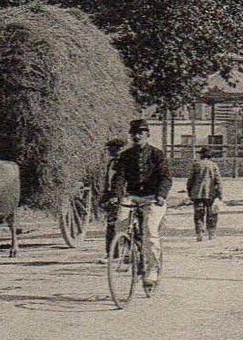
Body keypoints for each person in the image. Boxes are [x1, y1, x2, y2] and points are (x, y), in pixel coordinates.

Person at [109, 118, 171, 289]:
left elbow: (165, 177)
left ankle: (152, 269)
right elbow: (119, 177)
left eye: (140, 133)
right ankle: (126, 253)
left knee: (150, 232)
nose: (137, 136)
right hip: (132, 196)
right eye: (134, 133)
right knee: (120, 224)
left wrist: (161, 195)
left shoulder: (157, 154)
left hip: (153, 197)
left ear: (147, 135)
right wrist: (115, 195)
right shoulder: (126, 156)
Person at [96, 137, 125, 265]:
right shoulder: (112, 163)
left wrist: (117, 196)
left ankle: (118, 253)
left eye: (111, 149)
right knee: (111, 225)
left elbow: (121, 182)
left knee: (120, 225)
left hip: (122, 198)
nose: (109, 151)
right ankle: (112, 253)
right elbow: (108, 182)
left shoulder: (123, 163)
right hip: (113, 197)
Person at [186, 146, 224, 241]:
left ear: (201, 155)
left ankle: (200, 233)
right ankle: (211, 233)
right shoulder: (213, 165)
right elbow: (218, 181)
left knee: (199, 214)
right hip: (210, 194)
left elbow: (190, 180)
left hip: (197, 194)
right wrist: (220, 194)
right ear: (210, 156)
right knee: (212, 214)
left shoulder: (196, 165)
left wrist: (190, 192)